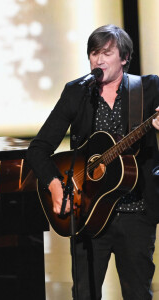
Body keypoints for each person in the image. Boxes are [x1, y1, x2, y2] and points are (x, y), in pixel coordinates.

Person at [27, 24, 159, 300]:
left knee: (138, 294)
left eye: (107, 53)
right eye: (93, 53)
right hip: (86, 213)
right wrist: (54, 185)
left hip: (136, 212)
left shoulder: (148, 88)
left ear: (124, 58)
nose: (98, 60)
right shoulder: (78, 92)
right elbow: (38, 149)